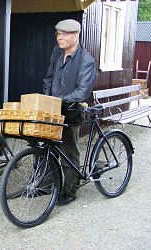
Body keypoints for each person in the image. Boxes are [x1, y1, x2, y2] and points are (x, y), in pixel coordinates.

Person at [43, 19, 96, 206]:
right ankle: (47, 184)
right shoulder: (57, 53)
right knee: (47, 147)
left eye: (64, 34)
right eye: (58, 34)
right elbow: (48, 78)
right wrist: (46, 99)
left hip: (72, 112)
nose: (60, 37)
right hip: (53, 110)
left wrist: (59, 101)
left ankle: (70, 190)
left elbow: (83, 92)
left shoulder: (86, 60)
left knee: (68, 151)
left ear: (76, 35)